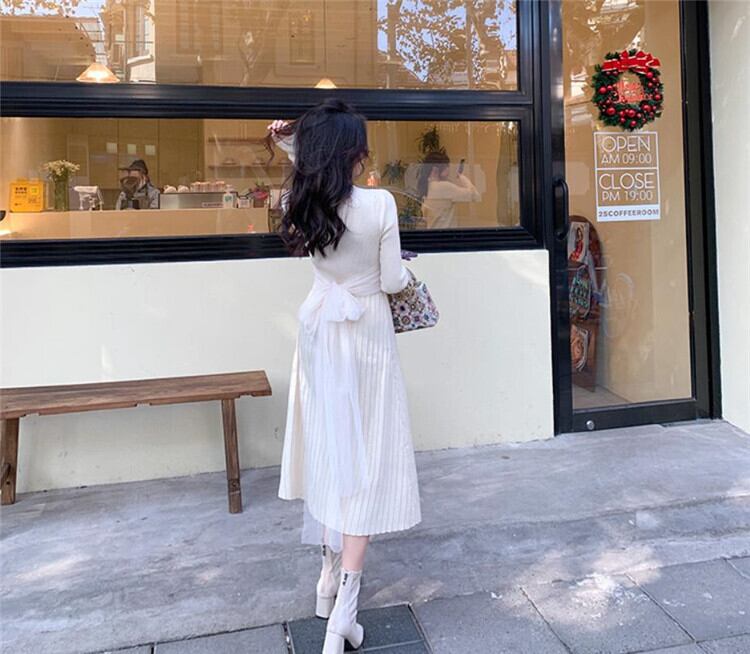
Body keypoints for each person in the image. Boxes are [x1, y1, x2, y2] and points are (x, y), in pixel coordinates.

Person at [270, 101, 421, 654]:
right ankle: (343, 618)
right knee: (366, 463)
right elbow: (392, 279)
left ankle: (326, 582)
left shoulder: (296, 200)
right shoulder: (380, 203)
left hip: (318, 332)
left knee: (332, 451)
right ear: (354, 153)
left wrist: (291, 142)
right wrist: (407, 271)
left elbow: (310, 167)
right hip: (366, 336)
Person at [416, 150, 480, 229]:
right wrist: (462, 177)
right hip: (446, 234)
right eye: (446, 166)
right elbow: (475, 196)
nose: (448, 169)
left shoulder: (427, 187)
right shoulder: (443, 187)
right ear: (435, 169)